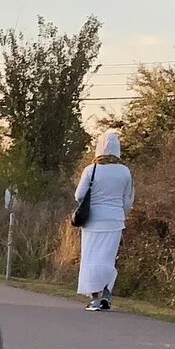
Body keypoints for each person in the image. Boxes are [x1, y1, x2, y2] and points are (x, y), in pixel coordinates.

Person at [74, 130, 135, 311]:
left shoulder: (91, 170)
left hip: (93, 221)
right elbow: (127, 201)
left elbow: (79, 195)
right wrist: (119, 213)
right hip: (114, 221)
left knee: (91, 258)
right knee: (109, 258)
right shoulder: (125, 171)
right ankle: (106, 295)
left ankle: (94, 299)